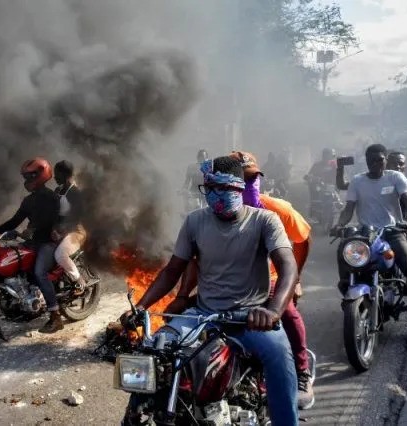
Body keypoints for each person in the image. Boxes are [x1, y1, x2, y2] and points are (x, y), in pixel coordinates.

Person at [126, 156, 300, 425]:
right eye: (211, 188)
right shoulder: (195, 221)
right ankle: (136, 415)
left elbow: (288, 267)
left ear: (239, 189)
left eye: (224, 188)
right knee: (152, 353)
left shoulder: (265, 221)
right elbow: (173, 270)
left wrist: (273, 312)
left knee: (280, 360)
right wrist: (142, 307)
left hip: (250, 318)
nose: (217, 194)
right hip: (203, 316)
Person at [168, 150, 315, 410]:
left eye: (251, 179)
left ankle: (301, 373)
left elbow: (299, 245)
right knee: (164, 349)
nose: (248, 185)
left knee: (286, 324)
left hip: (265, 290)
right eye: (213, 187)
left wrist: (293, 284)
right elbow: (190, 262)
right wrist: (181, 297)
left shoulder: (273, 211)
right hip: (212, 299)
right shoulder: (198, 220)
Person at [334, 144, 407, 335]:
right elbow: (348, 209)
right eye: (372, 159)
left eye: (380, 159)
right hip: (366, 233)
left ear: (384, 159)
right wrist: (339, 225)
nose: (376, 163)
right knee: (344, 248)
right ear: (366, 161)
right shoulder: (358, 181)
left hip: (393, 232)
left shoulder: (395, 177)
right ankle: (346, 284)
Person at [0, 157, 63, 334]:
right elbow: (14, 220)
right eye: (26, 177)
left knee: (39, 272)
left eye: (31, 176)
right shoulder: (28, 201)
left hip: (49, 242)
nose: (27, 181)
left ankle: (55, 316)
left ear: (42, 174)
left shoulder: (52, 198)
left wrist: (32, 229)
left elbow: (51, 220)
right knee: (16, 264)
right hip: (33, 242)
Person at [338, 151, 407, 269]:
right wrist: (340, 167)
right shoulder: (368, 182)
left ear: (405, 166)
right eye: (394, 164)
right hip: (374, 229)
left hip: (403, 227)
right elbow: (343, 185)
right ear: (385, 164)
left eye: (401, 164)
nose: (398, 167)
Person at [52, 160, 88, 294]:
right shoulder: (58, 190)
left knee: (60, 255)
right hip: (59, 230)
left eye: (57, 174)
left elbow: (76, 217)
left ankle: (79, 280)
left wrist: (62, 232)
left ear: (66, 174)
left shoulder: (75, 193)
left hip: (75, 231)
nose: (54, 177)